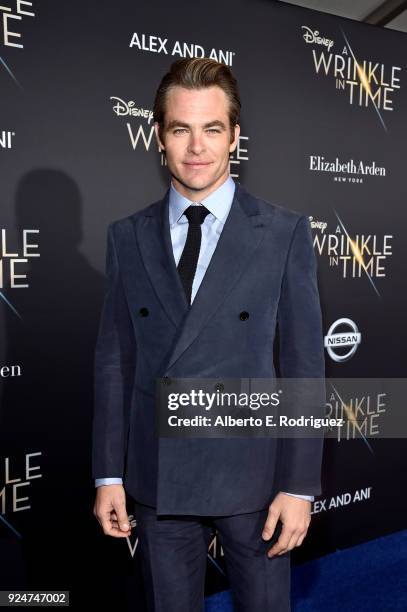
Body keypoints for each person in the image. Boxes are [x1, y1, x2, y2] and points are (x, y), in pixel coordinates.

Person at [92, 57, 325, 611]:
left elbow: (302, 365)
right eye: (181, 129)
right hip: (157, 479)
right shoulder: (127, 236)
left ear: (235, 137)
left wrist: (297, 486)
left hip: (255, 479)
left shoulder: (284, 232)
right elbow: (114, 362)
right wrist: (108, 473)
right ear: (159, 137)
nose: (197, 147)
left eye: (212, 129)